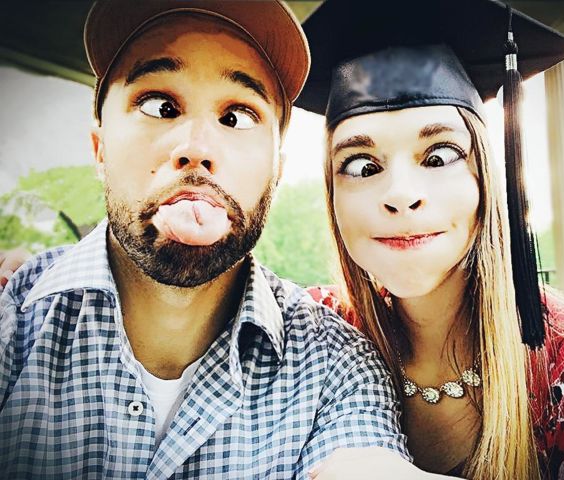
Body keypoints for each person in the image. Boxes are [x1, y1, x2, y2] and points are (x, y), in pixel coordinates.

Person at [0, 1, 421, 478]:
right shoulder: (14, 319)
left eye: (237, 116)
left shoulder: (337, 367)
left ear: (276, 170)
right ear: (100, 149)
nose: (196, 149)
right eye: (160, 107)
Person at [294, 0, 564, 478]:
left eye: (438, 157)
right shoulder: (316, 333)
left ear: (485, 181)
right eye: (362, 166)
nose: (401, 195)